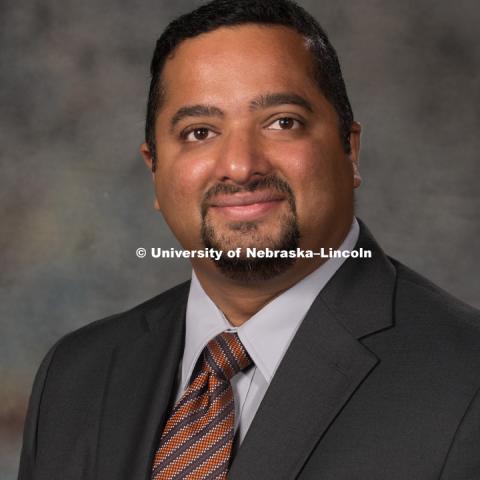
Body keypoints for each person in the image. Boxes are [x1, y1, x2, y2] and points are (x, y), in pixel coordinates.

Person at [18, 0, 480, 479]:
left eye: (283, 122)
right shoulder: (75, 376)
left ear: (350, 149)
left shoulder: (467, 378)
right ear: (153, 167)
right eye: (199, 132)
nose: (240, 166)